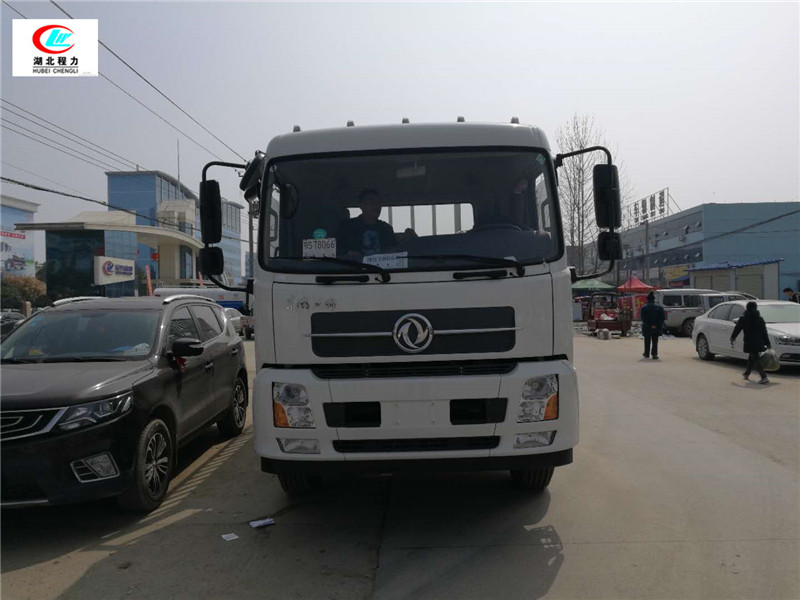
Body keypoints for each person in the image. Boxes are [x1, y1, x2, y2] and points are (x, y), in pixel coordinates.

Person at [337, 189, 398, 257]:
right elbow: (337, 250)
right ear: (361, 205)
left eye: (378, 202)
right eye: (371, 202)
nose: (376, 206)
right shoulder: (347, 227)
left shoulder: (386, 229)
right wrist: (349, 253)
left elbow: (394, 252)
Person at [730, 301, 771, 384]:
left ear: (747, 308)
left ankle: (764, 377)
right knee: (752, 357)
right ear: (756, 308)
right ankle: (746, 374)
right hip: (759, 341)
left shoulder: (744, 318)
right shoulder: (760, 318)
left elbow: (737, 329)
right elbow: (764, 332)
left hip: (749, 341)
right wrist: (767, 343)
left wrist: (733, 337)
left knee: (755, 358)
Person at [639, 290, 665, 360]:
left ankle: (646, 353)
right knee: (655, 341)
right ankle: (654, 355)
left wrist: (650, 325)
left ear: (647, 299)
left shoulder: (644, 308)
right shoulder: (659, 307)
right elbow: (662, 318)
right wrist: (656, 325)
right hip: (656, 328)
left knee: (647, 341)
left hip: (647, 327)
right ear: (654, 299)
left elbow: (643, 319)